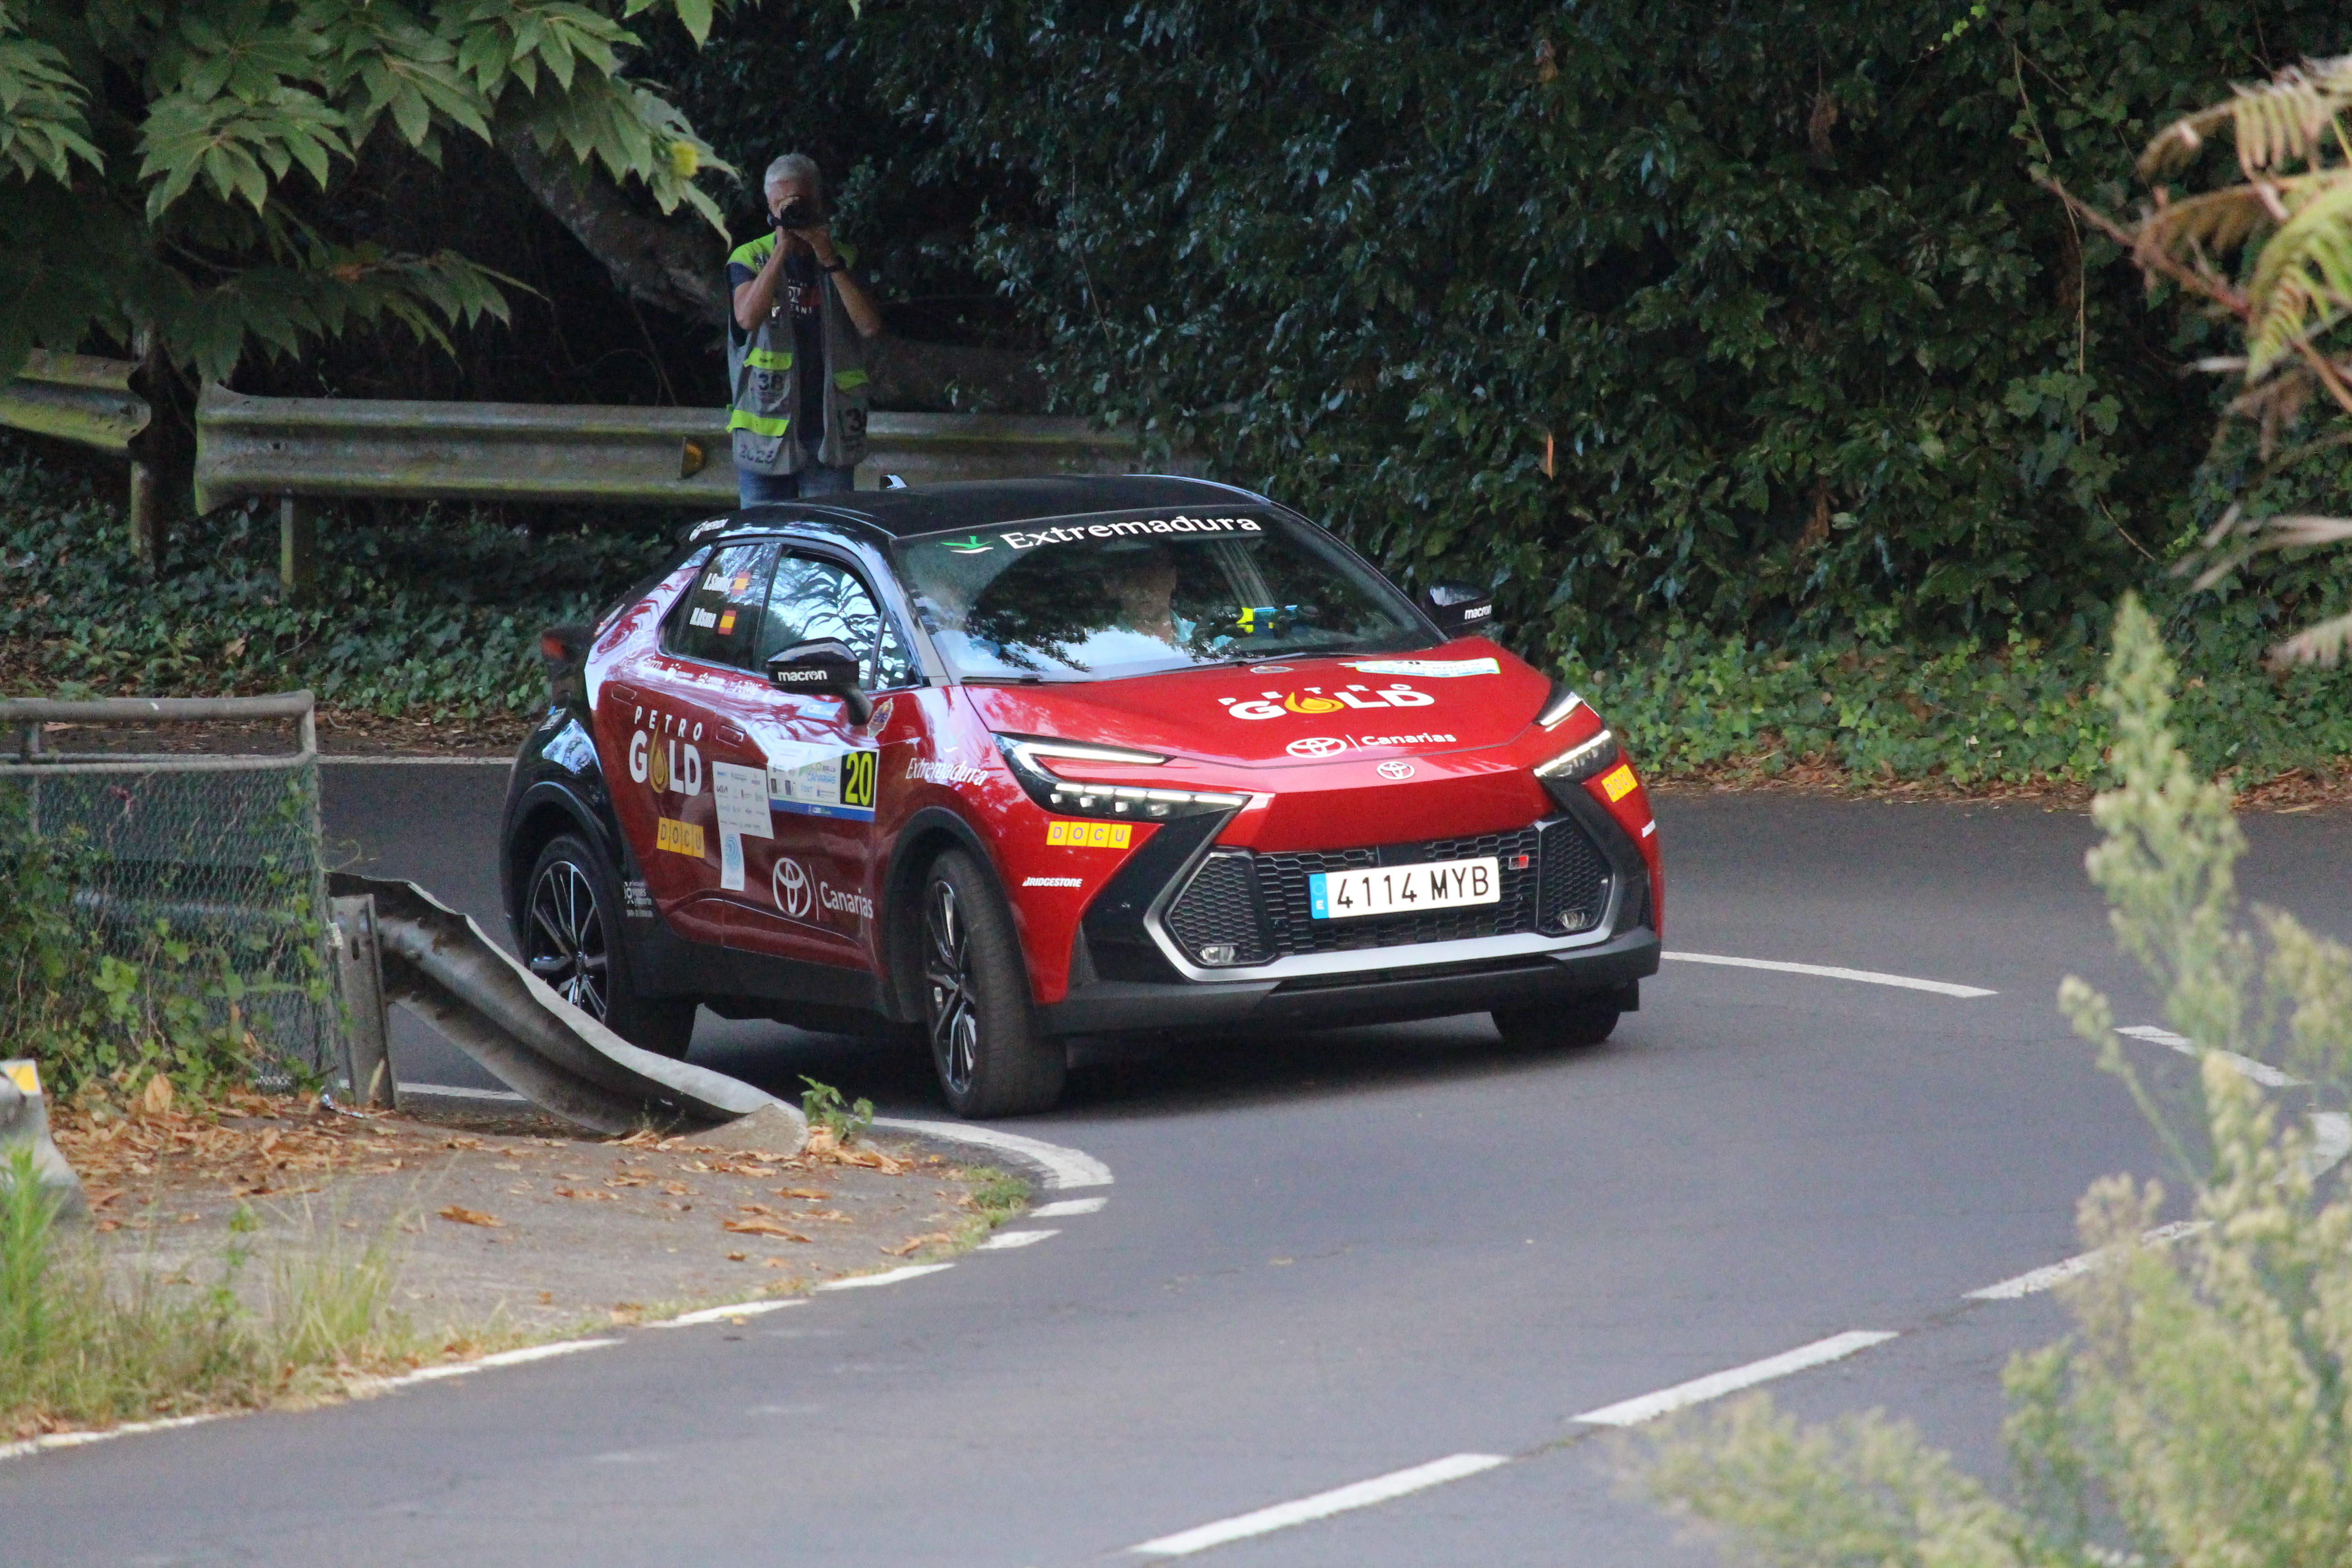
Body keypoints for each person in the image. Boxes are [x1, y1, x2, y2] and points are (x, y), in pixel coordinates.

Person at [725, 154, 886, 505]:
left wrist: (828, 257)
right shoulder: (749, 257)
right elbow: (747, 318)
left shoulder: (844, 257)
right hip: (765, 437)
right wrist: (781, 251)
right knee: (760, 547)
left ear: (818, 202)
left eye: (802, 202)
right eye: (784, 204)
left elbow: (870, 326)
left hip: (830, 432)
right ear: (770, 206)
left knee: (825, 543)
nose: (794, 210)